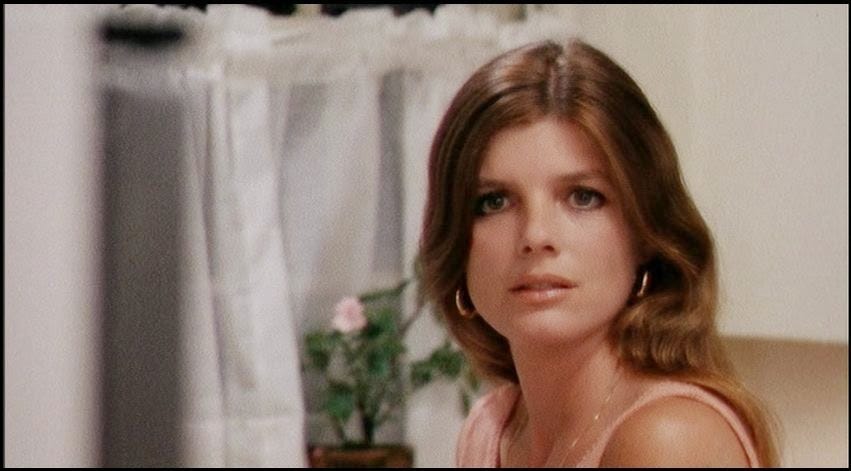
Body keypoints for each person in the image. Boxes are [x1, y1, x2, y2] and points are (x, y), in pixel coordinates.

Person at [418, 39, 779, 467]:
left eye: (583, 197)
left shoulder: (669, 439)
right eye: (494, 201)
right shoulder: (489, 430)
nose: (535, 235)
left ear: (645, 234)